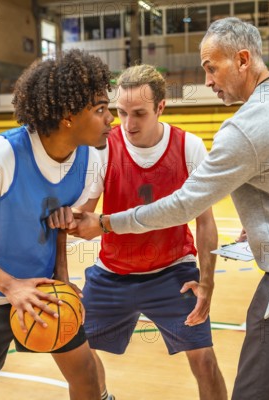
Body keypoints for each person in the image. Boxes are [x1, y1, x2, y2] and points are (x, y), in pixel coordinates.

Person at [69, 18, 269, 400]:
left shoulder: (243, 130)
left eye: (212, 67)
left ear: (243, 60)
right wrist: (266, 224)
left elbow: (183, 205)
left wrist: (107, 223)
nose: (207, 80)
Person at [0, 49, 114, 400]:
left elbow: (57, 223)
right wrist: (10, 286)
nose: (111, 119)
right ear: (67, 116)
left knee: (87, 376)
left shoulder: (92, 155)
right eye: (100, 109)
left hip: (43, 289)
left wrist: (62, 276)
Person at [49, 64, 227, 400]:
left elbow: (205, 221)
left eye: (139, 114)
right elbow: (85, 210)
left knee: (204, 360)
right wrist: (68, 218)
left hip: (173, 270)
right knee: (76, 351)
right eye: (121, 112)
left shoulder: (189, 147)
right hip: (113, 271)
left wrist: (207, 280)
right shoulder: (102, 147)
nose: (128, 124)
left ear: (161, 107)